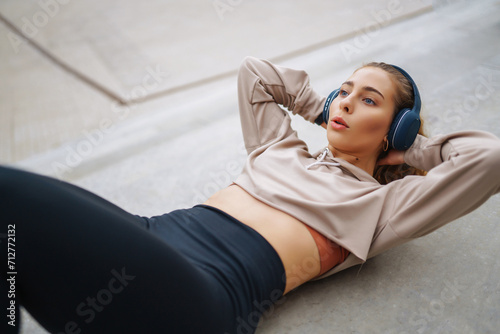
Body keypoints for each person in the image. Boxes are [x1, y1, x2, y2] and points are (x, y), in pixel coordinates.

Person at [1, 56, 499, 334]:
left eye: (368, 100)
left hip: (201, 288)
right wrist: (319, 107)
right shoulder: (280, 148)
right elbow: (255, 74)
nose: (346, 101)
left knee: (10, 199)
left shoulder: (382, 207)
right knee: (9, 242)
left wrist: (416, 149)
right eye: (342, 91)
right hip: (152, 233)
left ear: (399, 127)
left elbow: (489, 160)